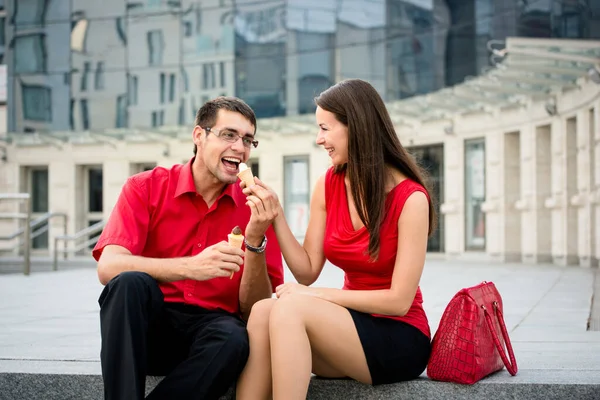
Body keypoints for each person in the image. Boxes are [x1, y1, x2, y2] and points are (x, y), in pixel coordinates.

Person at [235, 79, 437, 400]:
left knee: (290, 309)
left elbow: (399, 301)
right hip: (348, 329)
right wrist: (276, 215)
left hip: (398, 337)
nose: (319, 139)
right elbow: (307, 270)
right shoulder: (329, 183)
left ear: (355, 126)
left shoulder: (411, 198)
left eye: (325, 128)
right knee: (262, 312)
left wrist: (316, 297)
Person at [93, 97, 284, 400]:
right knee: (128, 283)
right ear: (199, 136)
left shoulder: (257, 208)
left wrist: (255, 241)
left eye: (248, 139)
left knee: (234, 337)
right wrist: (189, 266)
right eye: (228, 135)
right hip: (148, 330)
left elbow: (256, 308)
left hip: (212, 339)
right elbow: (108, 267)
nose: (240, 147)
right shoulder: (145, 187)